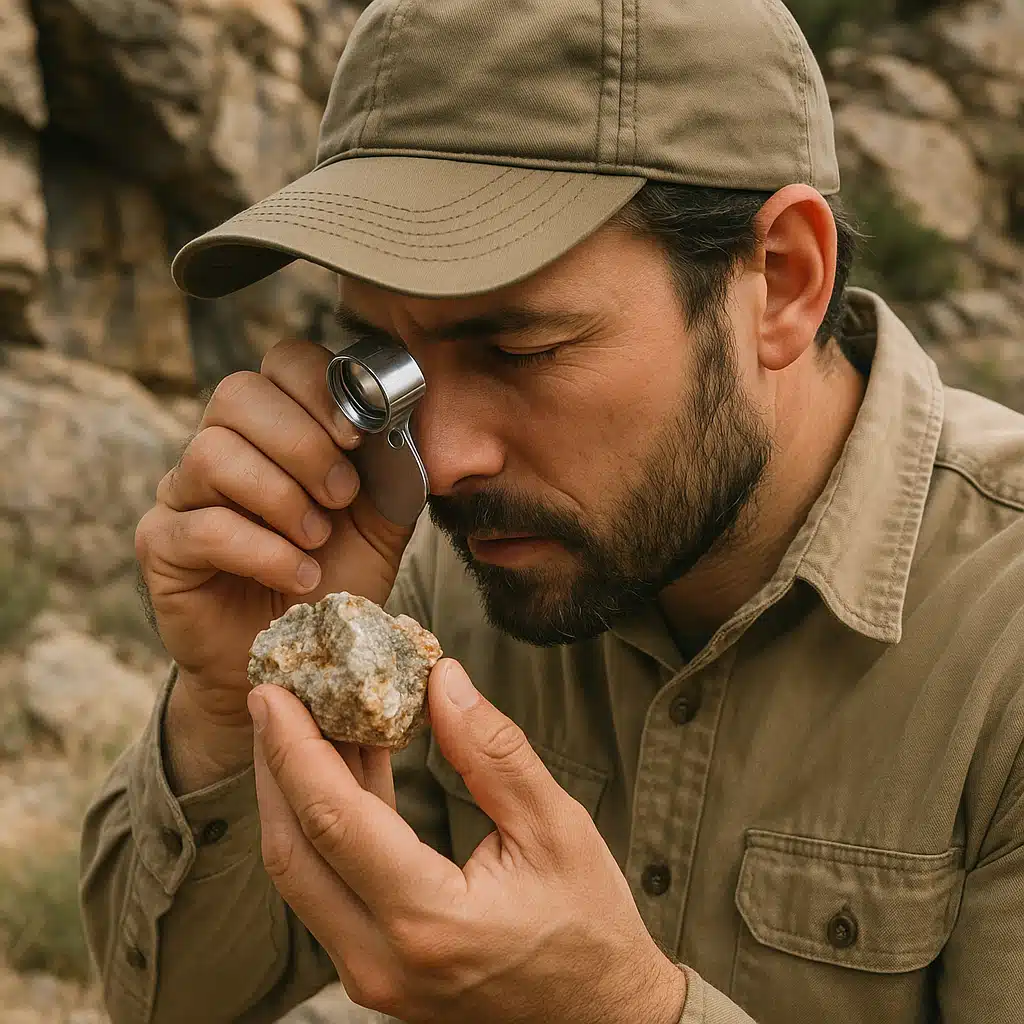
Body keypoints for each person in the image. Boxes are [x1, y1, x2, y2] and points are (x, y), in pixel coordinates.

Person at [79, 0, 1024, 1021]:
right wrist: (231, 704)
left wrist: (620, 1008)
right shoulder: (437, 579)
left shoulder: (999, 639)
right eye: (386, 365)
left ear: (783, 283)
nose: (437, 463)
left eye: (520, 350)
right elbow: (176, 1003)